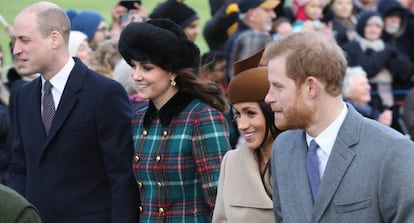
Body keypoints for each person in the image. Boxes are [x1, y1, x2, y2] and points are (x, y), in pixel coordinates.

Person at [263, 30, 414, 222]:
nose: (268, 97)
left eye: (278, 87)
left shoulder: (393, 152)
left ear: (311, 87)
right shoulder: (283, 148)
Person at [9, 2, 139, 223]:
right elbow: (20, 168)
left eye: (24, 40)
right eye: (14, 41)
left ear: (54, 39)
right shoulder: (23, 96)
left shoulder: (105, 93)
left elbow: (122, 176)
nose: (16, 50)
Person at [118, 18, 231, 222]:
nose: (136, 75)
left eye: (147, 68)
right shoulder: (138, 120)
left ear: (171, 71)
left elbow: (221, 200)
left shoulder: (202, 117)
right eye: (133, 66)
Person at [212, 49, 282, 222]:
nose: (242, 125)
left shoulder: (305, 159)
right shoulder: (231, 162)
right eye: (237, 115)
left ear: (272, 112)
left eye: (251, 113)